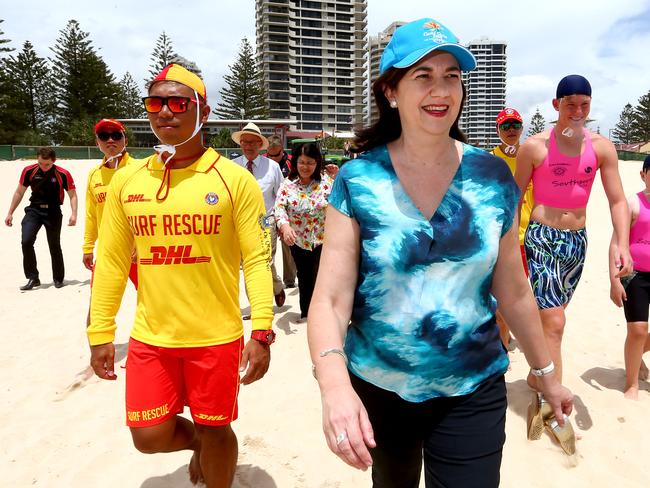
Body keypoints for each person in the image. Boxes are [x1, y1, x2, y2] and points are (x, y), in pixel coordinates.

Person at [307, 18, 574, 488]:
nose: (441, 89)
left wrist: (547, 374)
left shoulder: (491, 177)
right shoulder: (357, 180)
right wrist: (334, 386)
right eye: (423, 75)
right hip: (381, 385)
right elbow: (330, 298)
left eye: (451, 75)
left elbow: (513, 291)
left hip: (474, 383)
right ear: (391, 90)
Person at [87, 64, 275, 488]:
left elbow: (257, 260)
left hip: (216, 338)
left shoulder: (233, 181)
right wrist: (100, 332)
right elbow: (113, 261)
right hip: (152, 337)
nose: (165, 112)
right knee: (148, 437)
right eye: (155, 103)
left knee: (216, 428)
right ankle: (198, 447)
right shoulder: (127, 181)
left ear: (202, 111)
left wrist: (262, 331)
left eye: (178, 102)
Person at [515, 75, 632, 389]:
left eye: (584, 104)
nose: (578, 111)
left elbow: (618, 200)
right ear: (557, 105)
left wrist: (623, 244)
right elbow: (513, 199)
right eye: (571, 105)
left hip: (576, 243)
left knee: (552, 318)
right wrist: (510, 245)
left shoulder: (601, 148)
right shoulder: (535, 147)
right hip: (541, 237)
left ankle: (536, 374)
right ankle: (552, 404)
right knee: (555, 321)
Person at [275, 143, 334, 320]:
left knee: (319, 276)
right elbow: (279, 207)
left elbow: (341, 204)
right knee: (304, 276)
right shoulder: (288, 184)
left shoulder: (326, 183)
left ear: (317, 163)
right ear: (295, 163)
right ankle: (306, 314)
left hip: (323, 240)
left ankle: (321, 316)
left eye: (310, 162)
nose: (305, 167)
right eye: (301, 162)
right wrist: (284, 226)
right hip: (298, 240)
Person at [5, 147, 77, 290]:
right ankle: (33, 277)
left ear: (53, 161)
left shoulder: (63, 174)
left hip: (53, 212)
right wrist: (10, 212)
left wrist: (74, 214)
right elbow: (19, 192)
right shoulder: (29, 171)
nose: (43, 168)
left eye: (47, 165)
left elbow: (72, 195)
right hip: (34, 211)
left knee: (54, 245)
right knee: (26, 241)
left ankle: (58, 279)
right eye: (40, 164)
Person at [609, 154, 650, 400]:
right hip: (635, 275)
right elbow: (615, 243)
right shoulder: (632, 204)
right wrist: (614, 280)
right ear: (643, 174)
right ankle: (632, 383)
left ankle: (635, 356)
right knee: (637, 330)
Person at [232, 123, 286, 309]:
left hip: (266, 221)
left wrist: (281, 223)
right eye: (245, 141)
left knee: (264, 262)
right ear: (240, 143)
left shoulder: (272, 167)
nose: (248, 146)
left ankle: (274, 287)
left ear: (260, 144)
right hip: (240, 224)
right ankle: (259, 304)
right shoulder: (232, 167)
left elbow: (281, 196)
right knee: (248, 264)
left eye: (253, 142)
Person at [83, 119, 139, 293]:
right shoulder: (94, 174)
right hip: (108, 249)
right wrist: (88, 246)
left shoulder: (140, 169)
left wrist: (139, 243)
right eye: (103, 136)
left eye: (116, 135)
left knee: (153, 301)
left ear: (125, 140)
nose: (110, 140)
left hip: (138, 252)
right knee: (97, 303)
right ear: (97, 142)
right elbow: (91, 214)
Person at [491, 108, 531, 349]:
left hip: (529, 237)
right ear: (498, 130)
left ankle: (503, 342)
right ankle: (502, 347)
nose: (511, 130)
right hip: (500, 238)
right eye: (506, 126)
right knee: (499, 297)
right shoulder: (490, 159)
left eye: (515, 125)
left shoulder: (530, 156)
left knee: (519, 295)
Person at [265, 135, 296, 288]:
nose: (273, 158)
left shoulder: (292, 162)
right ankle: (273, 280)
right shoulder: (264, 162)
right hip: (269, 212)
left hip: (288, 210)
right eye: (270, 155)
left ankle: (289, 280)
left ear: (282, 151)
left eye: (276, 155)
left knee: (288, 245)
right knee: (269, 249)